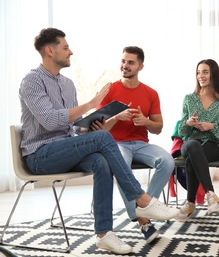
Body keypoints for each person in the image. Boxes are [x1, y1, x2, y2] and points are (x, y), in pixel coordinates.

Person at [19, 28, 179, 255]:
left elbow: (73, 127)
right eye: (65, 47)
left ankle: (104, 234)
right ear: (49, 50)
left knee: (101, 161)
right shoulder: (31, 81)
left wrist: (88, 126)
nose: (70, 51)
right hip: (40, 155)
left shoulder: (67, 84)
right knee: (104, 138)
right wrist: (91, 104)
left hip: (64, 149)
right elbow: (49, 121)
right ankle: (142, 200)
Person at [90, 46, 174, 244]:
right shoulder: (110, 90)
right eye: (123, 61)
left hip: (141, 144)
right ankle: (143, 220)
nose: (125, 66)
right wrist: (117, 117)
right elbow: (100, 129)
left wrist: (145, 121)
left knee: (167, 161)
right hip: (116, 144)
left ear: (141, 66)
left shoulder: (150, 93)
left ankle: (143, 208)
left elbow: (158, 128)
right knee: (121, 166)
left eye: (130, 62)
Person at [175, 59, 219, 222]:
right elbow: (182, 132)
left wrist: (211, 126)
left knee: (193, 157)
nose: (201, 76)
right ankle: (210, 194)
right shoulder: (189, 98)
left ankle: (190, 203)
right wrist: (187, 123)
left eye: (205, 72)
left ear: (213, 74)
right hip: (190, 143)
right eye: (198, 72)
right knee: (192, 146)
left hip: (213, 146)